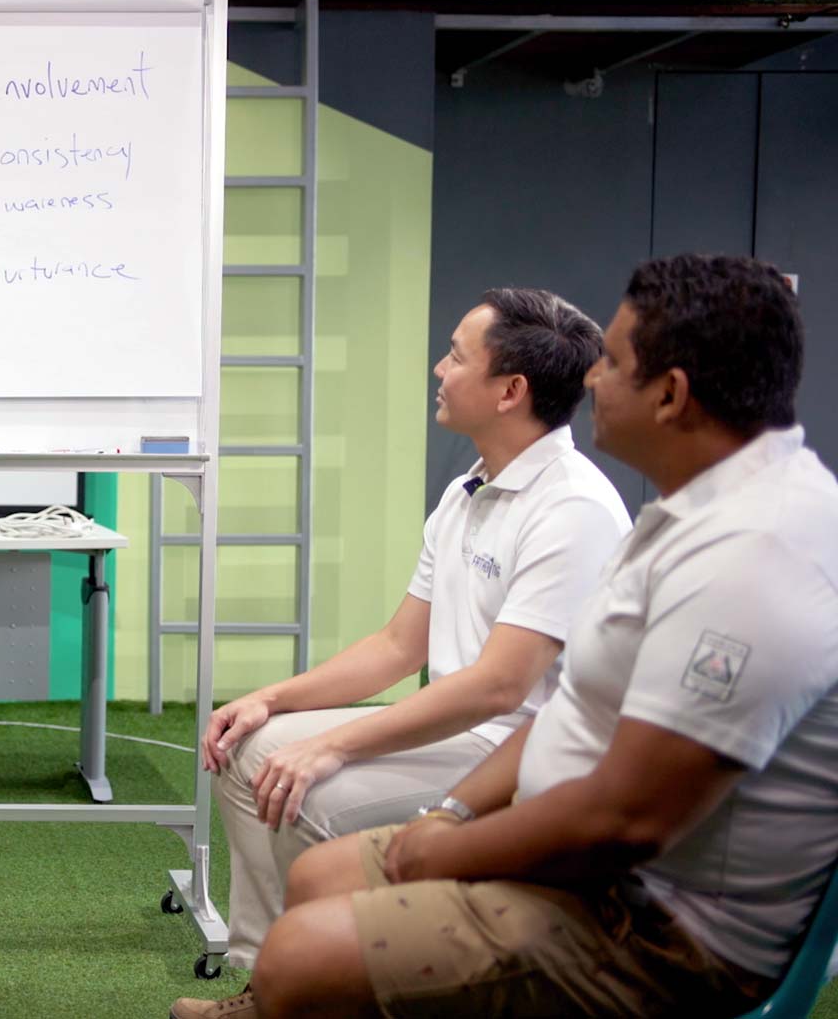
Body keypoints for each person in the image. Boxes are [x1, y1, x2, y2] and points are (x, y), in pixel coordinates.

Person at [174, 254, 838, 1019]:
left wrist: (441, 842)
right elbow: (534, 696)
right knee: (316, 877)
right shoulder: (682, 518)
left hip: (654, 927)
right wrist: (446, 815)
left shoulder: (748, 556)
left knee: (305, 950)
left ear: (671, 394)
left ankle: (283, 990)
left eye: (614, 364)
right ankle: (270, 996)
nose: (592, 380)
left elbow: (623, 818)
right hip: (589, 863)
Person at [204, 288, 630, 967]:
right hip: (462, 732)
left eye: (457, 357)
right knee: (248, 750)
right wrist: (271, 700)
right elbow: (399, 646)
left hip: (522, 757)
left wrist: (334, 745)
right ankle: (264, 975)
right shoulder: (470, 488)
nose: (439, 369)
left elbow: (498, 688)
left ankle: (327, 980)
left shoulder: (574, 508)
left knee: (306, 790)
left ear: (509, 391)